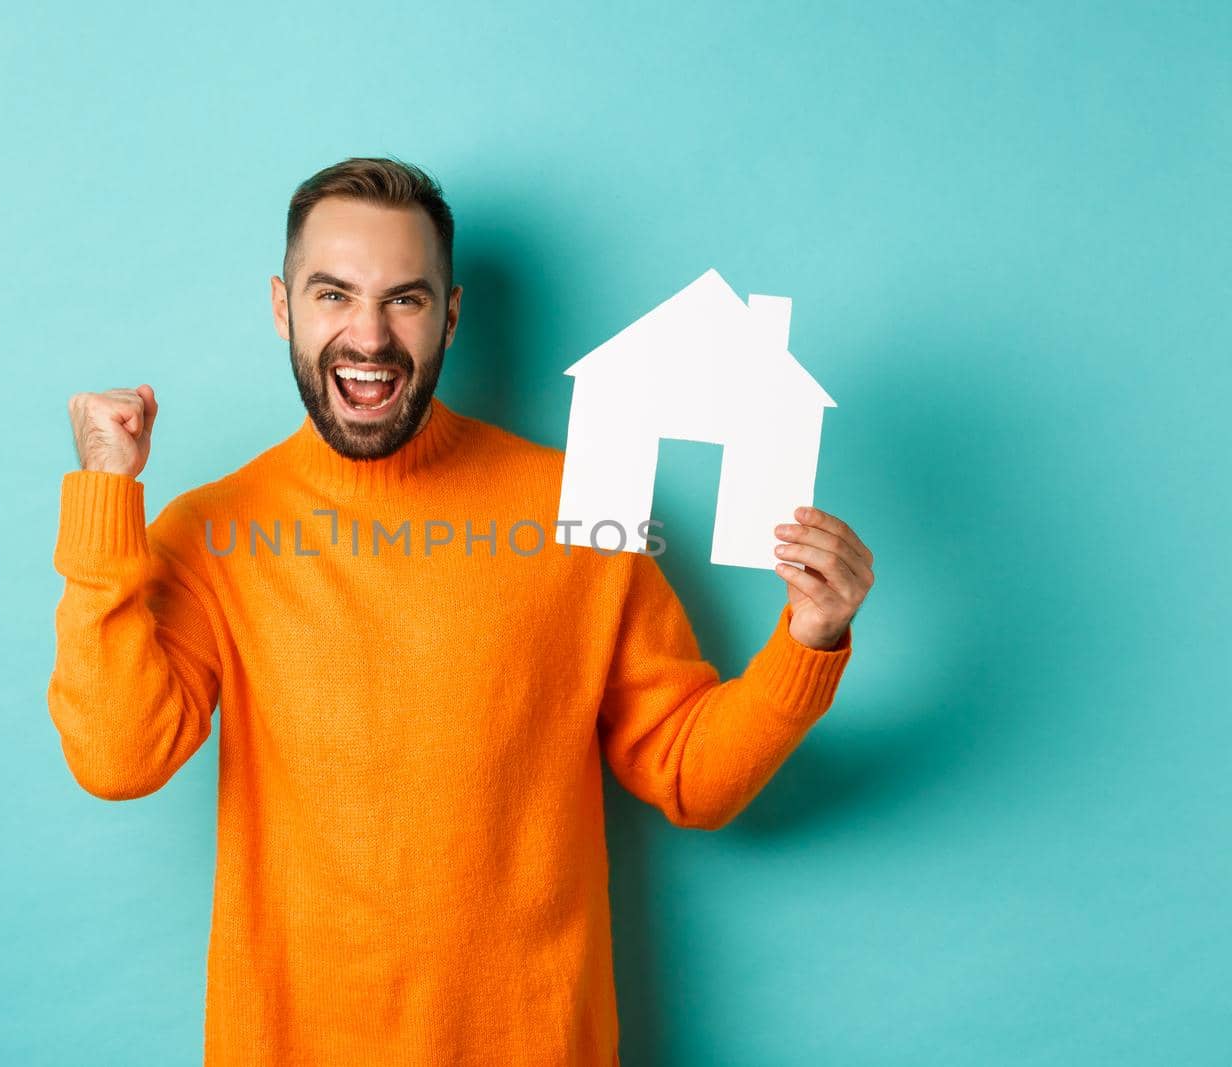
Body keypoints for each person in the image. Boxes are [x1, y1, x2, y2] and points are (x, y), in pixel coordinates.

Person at [48, 156, 875, 1066]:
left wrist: (810, 638)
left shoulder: (578, 506)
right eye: (333, 296)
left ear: (450, 314)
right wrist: (106, 500)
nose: (368, 336)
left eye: (404, 299)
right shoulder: (212, 532)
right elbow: (118, 758)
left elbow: (691, 774)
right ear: (284, 308)